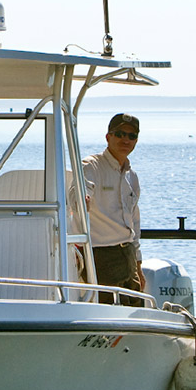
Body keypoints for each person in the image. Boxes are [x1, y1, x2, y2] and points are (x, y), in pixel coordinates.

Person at [74, 113, 145, 306]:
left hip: (127, 255)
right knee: (107, 317)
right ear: (108, 137)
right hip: (101, 258)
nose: (126, 140)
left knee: (135, 315)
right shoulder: (91, 165)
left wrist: (138, 266)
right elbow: (78, 192)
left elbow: (134, 222)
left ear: (136, 141)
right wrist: (82, 199)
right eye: (120, 133)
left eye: (131, 136)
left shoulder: (133, 177)